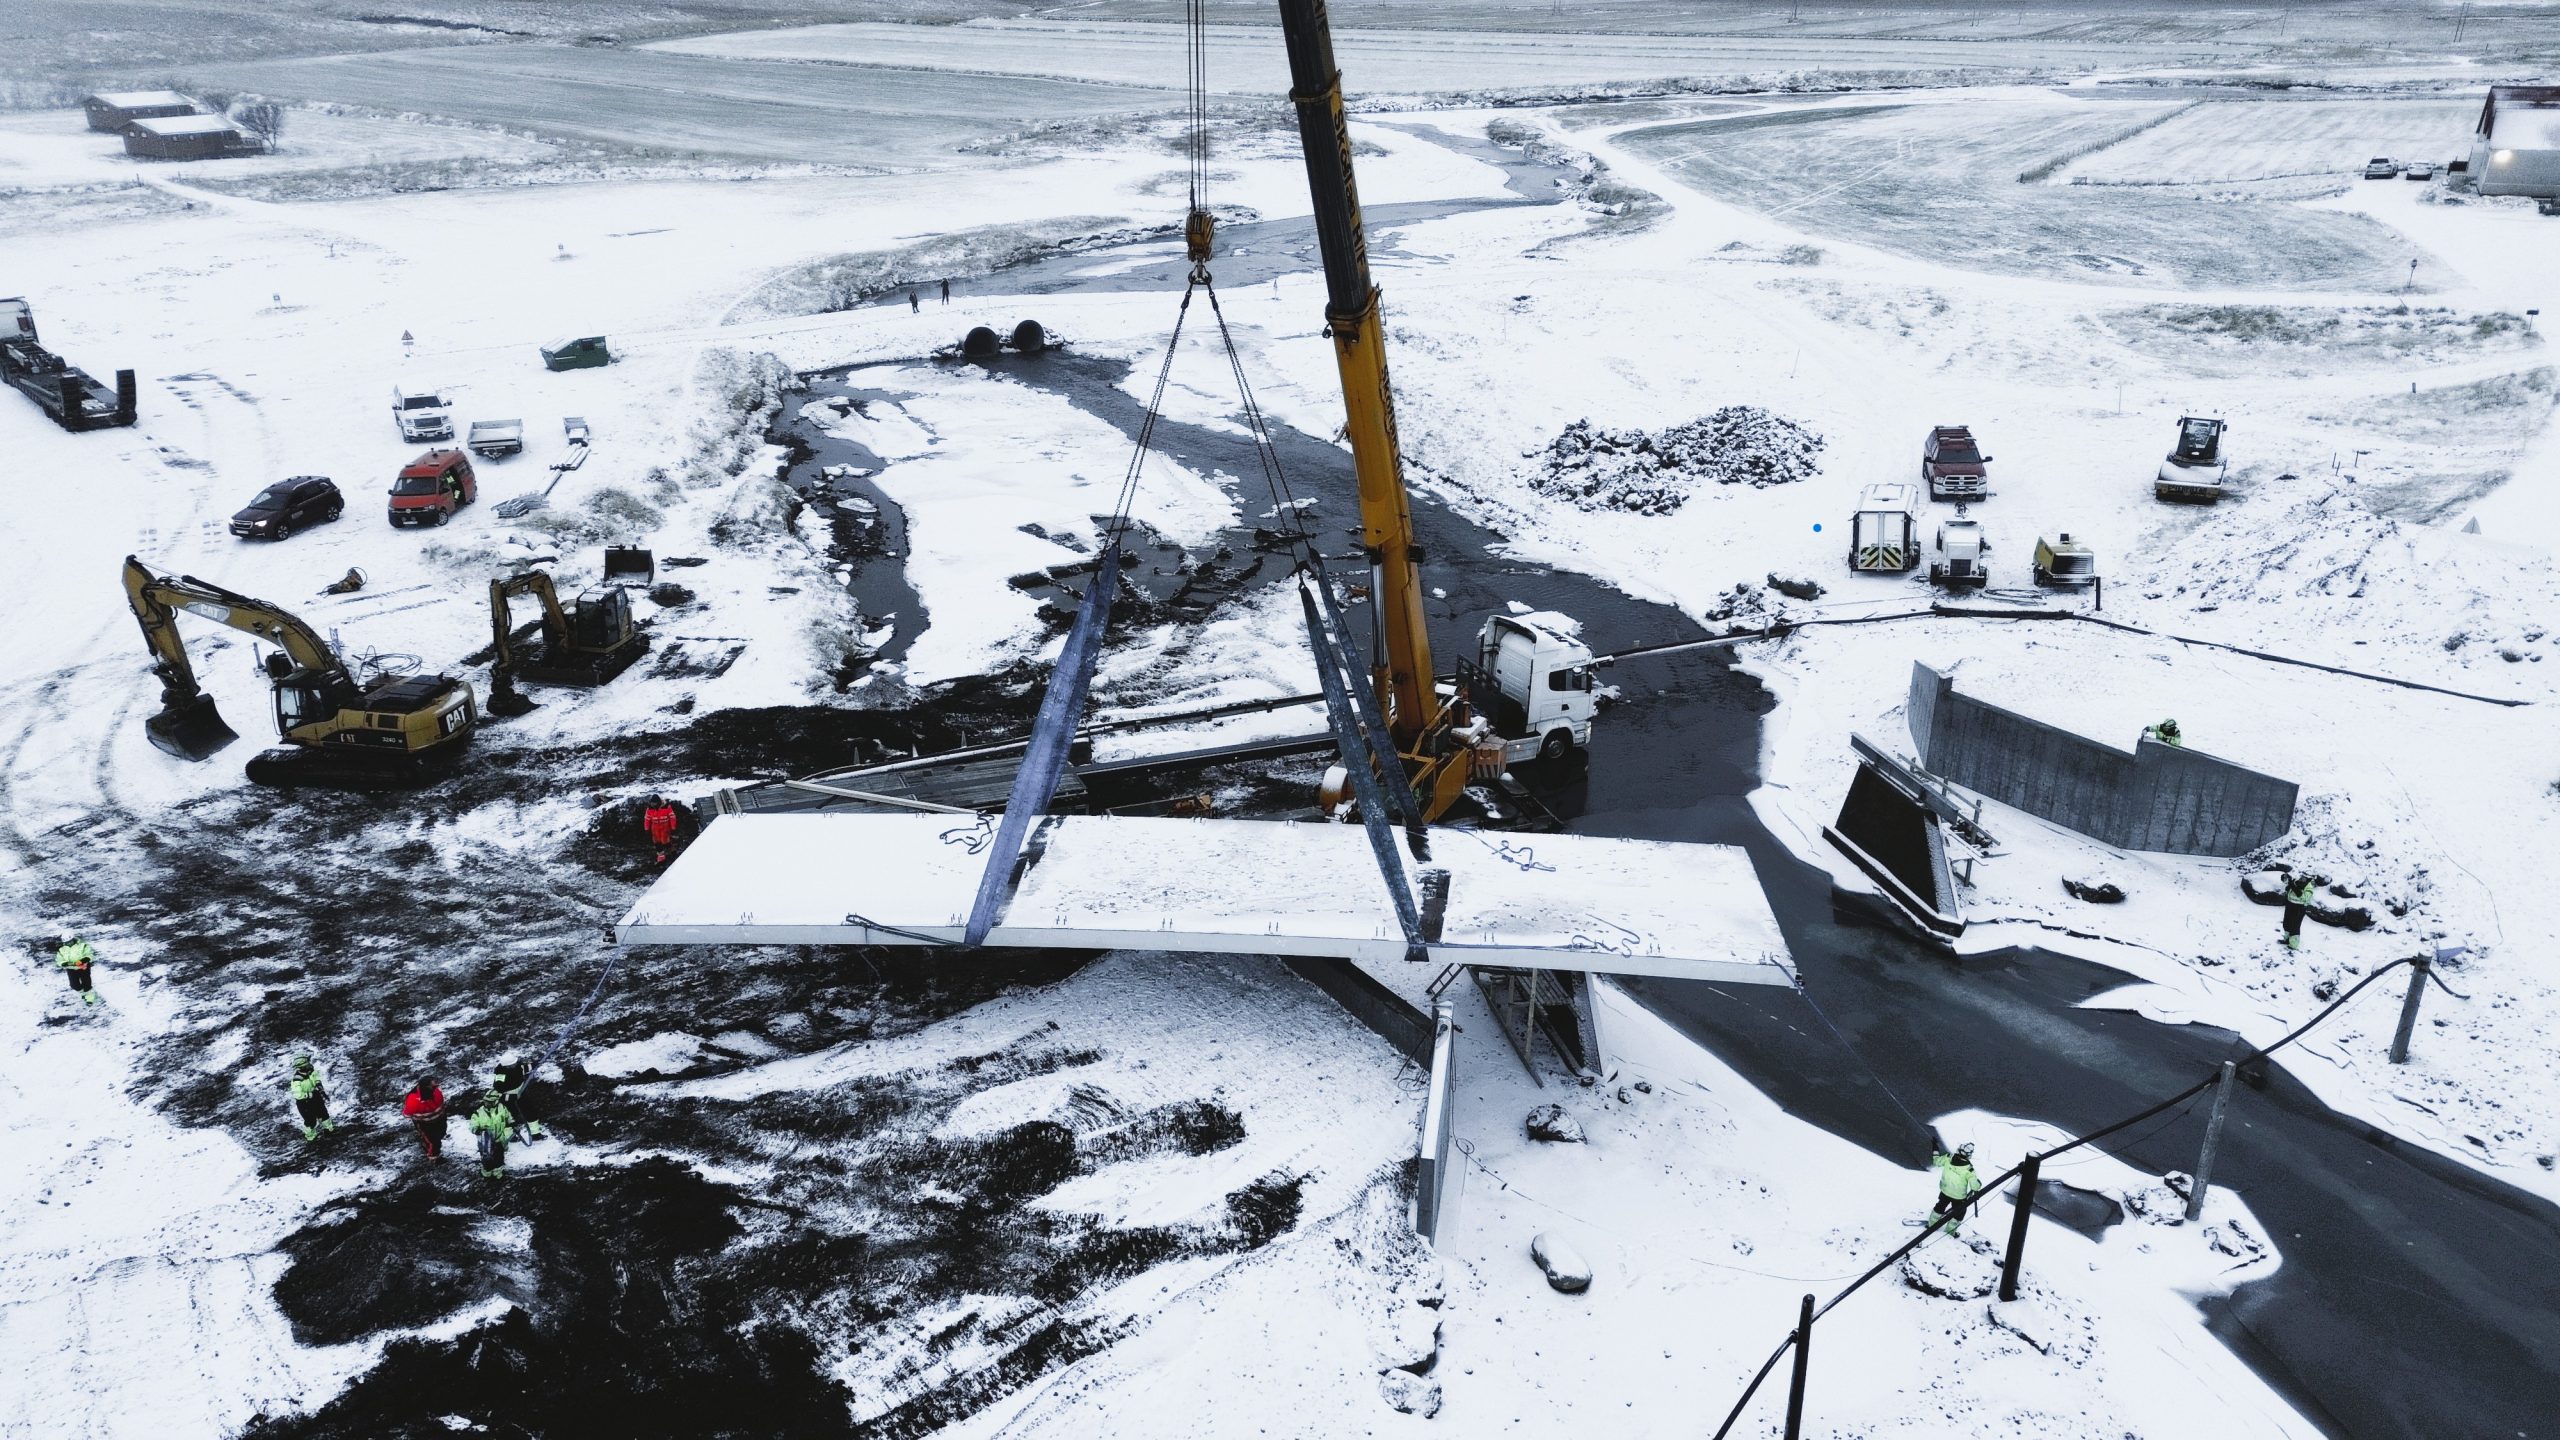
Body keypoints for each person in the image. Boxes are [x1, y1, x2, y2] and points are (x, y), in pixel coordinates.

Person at [1929, 1141, 1982, 1234]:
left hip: (1944, 1190)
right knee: (1959, 1214)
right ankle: (1950, 1232)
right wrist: (1979, 1184)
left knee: (1940, 1206)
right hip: (1958, 1197)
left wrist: (1935, 1149)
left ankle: (1931, 1225)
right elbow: (1975, 1187)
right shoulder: (1969, 1169)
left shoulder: (1948, 1158)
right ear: (1969, 1155)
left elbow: (1936, 1161)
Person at [491, 1052, 545, 1141]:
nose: (515, 1064)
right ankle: (510, 1136)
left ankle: (536, 1133)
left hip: (521, 1093)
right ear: (507, 1066)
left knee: (530, 1111)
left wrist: (536, 1063)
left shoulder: (518, 1067)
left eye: (515, 1063)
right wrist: (510, 1098)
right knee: (510, 1117)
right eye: (513, 1064)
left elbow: (525, 1067)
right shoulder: (501, 1076)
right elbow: (498, 1090)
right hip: (508, 1099)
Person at [289, 1055, 338, 1142]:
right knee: (310, 1120)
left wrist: (321, 1089)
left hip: (315, 1097)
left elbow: (316, 1079)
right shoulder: (296, 1080)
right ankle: (311, 1137)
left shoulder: (311, 1071)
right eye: (307, 1064)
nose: (309, 1065)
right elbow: (298, 1095)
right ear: (302, 1067)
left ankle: (329, 1130)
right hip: (304, 1103)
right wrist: (309, 1095)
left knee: (323, 1114)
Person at [469, 1089, 513, 1178]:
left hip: (499, 1139)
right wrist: (477, 1130)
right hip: (485, 1141)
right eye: (485, 1101)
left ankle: (498, 1173)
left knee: (499, 1157)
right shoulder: (478, 1113)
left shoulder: (502, 1108)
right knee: (487, 1159)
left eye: (489, 1102)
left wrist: (513, 1123)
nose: (486, 1104)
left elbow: (508, 1117)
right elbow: (472, 1126)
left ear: (496, 1101)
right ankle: (487, 1173)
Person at [403, 1076, 447, 1160]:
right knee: (433, 1142)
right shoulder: (413, 1101)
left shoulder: (437, 1092)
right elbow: (407, 1114)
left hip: (441, 1119)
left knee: (441, 1134)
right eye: (433, 1086)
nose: (437, 1087)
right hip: (425, 1125)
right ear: (426, 1088)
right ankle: (434, 1158)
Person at [55, 934, 101, 1007]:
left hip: (83, 967)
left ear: (73, 940)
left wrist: (82, 961)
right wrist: (67, 963)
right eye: (67, 942)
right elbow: (59, 961)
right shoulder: (61, 950)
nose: (69, 943)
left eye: (70, 942)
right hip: (71, 968)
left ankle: (90, 998)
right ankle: (83, 993)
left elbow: (89, 955)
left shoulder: (83, 945)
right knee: (74, 985)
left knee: (86, 983)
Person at [2282, 872, 2318, 951]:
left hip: (2299, 908)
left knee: (2294, 926)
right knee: (2286, 923)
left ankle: (2293, 944)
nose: (2302, 878)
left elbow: (2304, 897)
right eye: (2302, 876)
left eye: (2305, 877)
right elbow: (2285, 882)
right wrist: (2285, 877)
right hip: (2290, 904)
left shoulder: (2309, 887)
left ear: (2308, 879)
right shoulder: (2296, 881)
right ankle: (2286, 939)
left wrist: (2293, 886)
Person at [643, 796, 680, 866]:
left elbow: (672, 817)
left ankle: (672, 852)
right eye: (652, 803)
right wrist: (646, 829)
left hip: (665, 827)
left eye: (655, 803)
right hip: (655, 828)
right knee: (657, 843)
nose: (653, 805)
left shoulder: (666, 807)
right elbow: (647, 819)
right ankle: (661, 858)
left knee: (665, 842)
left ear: (659, 802)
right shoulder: (649, 809)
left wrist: (673, 827)